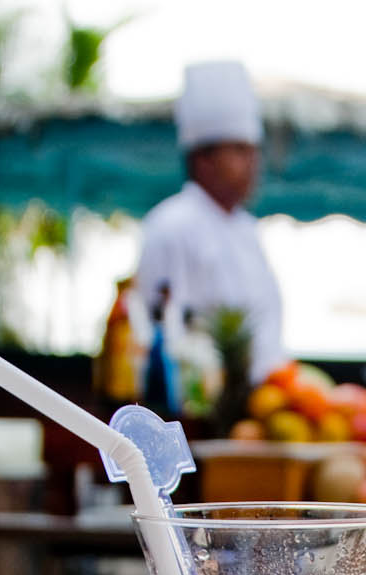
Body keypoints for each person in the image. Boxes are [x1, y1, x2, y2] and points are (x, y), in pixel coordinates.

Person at [136, 60, 284, 385]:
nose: (252, 164)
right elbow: (161, 332)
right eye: (240, 152)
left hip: (264, 407)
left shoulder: (247, 229)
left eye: (253, 152)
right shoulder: (170, 226)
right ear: (203, 159)